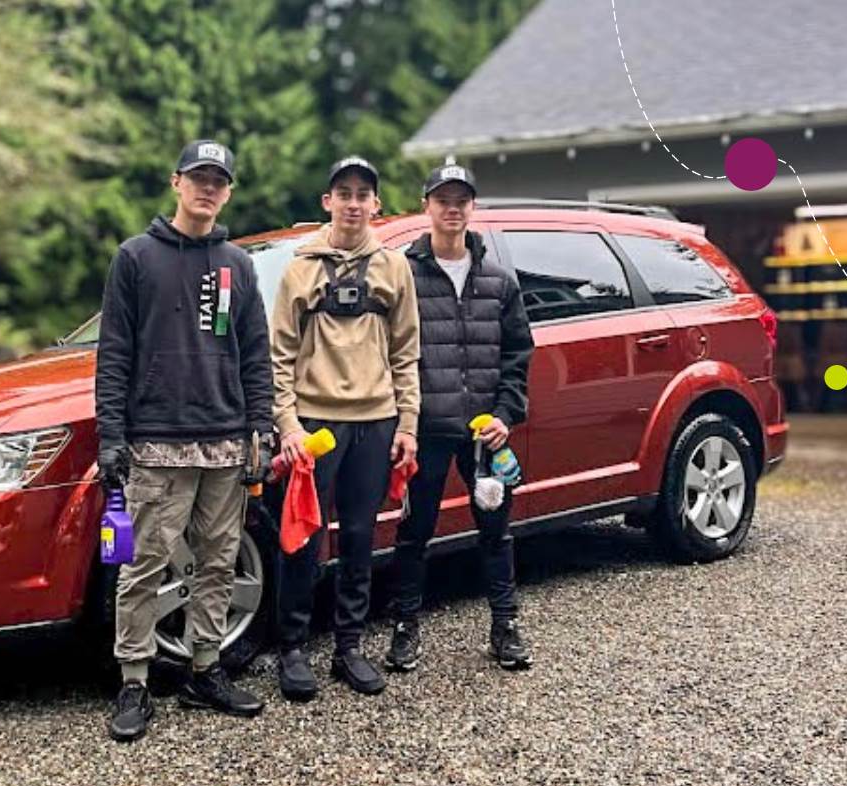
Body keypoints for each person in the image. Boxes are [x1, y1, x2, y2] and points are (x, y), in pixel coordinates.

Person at [95, 139, 275, 742]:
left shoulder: (238, 264)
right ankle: (135, 681)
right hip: (154, 444)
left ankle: (205, 669)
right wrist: (111, 436)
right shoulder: (135, 258)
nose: (207, 188)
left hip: (225, 442)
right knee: (142, 565)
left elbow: (255, 354)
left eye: (218, 180)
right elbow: (114, 353)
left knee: (218, 561)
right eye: (198, 177)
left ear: (228, 191)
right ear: (176, 182)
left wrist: (262, 428)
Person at [270, 156, 420, 700]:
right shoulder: (299, 268)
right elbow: (278, 356)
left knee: (359, 538)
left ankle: (349, 647)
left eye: (363, 194)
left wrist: (408, 424)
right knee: (302, 539)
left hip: (375, 424)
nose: (353, 202)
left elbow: (407, 354)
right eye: (343, 193)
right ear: (326, 201)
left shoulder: (393, 267)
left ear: (376, 204)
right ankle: (292, 648)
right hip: (313, 425)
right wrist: (287, 426)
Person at [385, 161, 534, 673]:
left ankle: (505, 626)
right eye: (442, 199)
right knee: (414, 532)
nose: (452, 208)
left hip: (483, 434)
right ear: (426, 205)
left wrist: (505, 415)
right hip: (425, 429)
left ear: (472, 208)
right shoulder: (401, 274)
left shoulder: (499, 280)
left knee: (496, 531)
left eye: (461, 200)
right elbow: (386, 352)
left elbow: (518, 355)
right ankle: (405, 627)